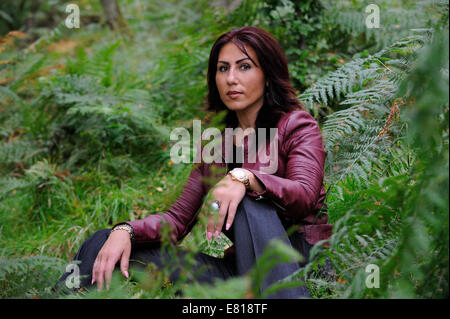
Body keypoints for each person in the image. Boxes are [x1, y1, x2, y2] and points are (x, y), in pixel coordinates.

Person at [57, 26, 332, 298]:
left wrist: (245, 178)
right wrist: (125, 230)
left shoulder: (296, 125)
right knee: (103, 241)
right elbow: (176, 221)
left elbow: (305, 195)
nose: (231, 79)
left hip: (298, 269)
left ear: (268, 75)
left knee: (248, 201)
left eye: (244, 67)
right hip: (240, 276)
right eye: (223, 69)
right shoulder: (217, 145)